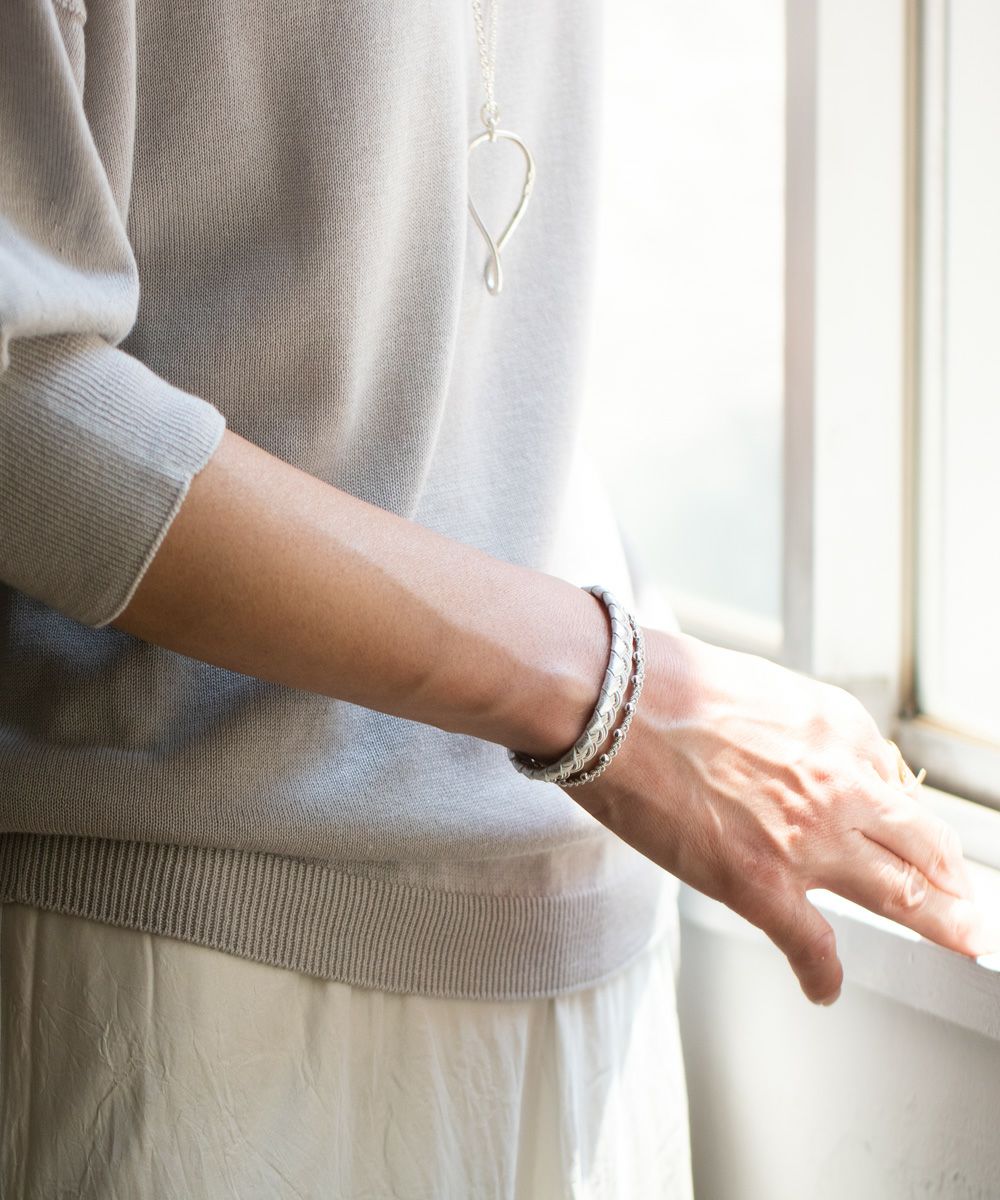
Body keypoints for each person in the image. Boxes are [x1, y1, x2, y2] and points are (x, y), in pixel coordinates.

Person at [0, 1, 992, 1197]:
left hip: (589, 943)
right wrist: (614, 694)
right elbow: (21, 414)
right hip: (186, 967)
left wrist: (621, 701)